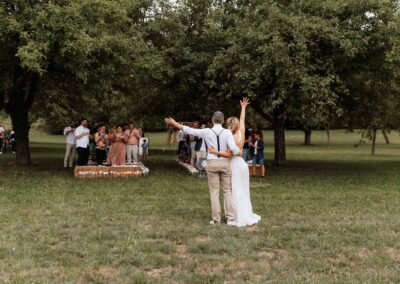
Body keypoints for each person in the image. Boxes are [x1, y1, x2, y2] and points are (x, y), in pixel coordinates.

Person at [165, 111, 241, 225]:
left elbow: (189, 130)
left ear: (212, 120)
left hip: (212, 163)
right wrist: (239, 152)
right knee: (227, 191)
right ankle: (230, 218)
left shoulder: (206, 131)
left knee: (214, 192)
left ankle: (216, 219)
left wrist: (175, 123)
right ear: (223, 120)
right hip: (225, 163)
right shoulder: (227, 132)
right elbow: (234, 150)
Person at [208, 98, 261, 227]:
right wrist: (243, 108)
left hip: (234, 164)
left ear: (233, 125)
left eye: (230, 124)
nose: (228, 126)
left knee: (232, 190)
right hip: (242, 164)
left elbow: (230, 153)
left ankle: (236, 216)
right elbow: (242, 120)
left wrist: (215, 152)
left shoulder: (230, 136)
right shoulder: (241, 133)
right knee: (241, 189)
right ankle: (240, 213)